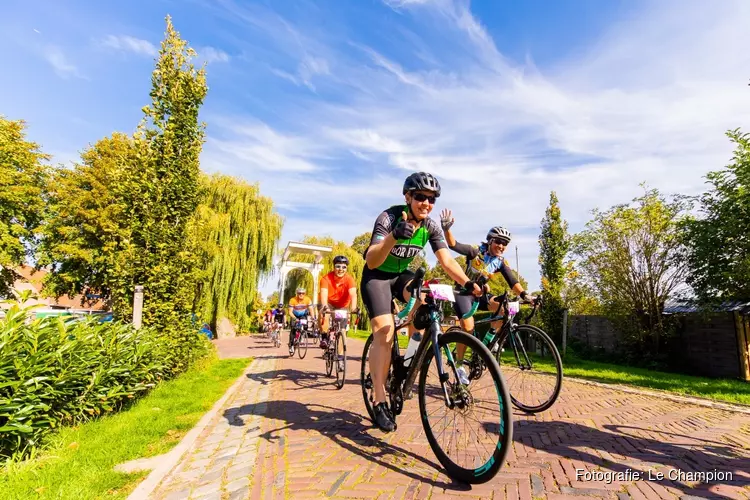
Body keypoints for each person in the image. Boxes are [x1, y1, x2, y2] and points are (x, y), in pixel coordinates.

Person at [361, 171, 482, 433]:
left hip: (401, 276)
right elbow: (371, 260)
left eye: (431, 199)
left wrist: (468, 283)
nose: (426, 203)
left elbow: (446, 260)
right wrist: (394, 235)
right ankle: (379, 398)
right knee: (385, 330)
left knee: (425, 307)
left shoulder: (430, 226)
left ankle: (407, 362)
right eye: (420, 197)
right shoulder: (389, 217)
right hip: (377, 277)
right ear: (408, 197)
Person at [439, 208, 536, 384]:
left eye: (504, 244)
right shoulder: (475, 252)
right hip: (463, 293)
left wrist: (525, 295)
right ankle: (459, 366)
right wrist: (446, 229)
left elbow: (513, 281)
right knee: (467, 328)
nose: (501, 246)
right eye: (498, 242)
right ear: (490, 241)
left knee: (505, 307)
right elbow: (453, 244)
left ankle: (488, 341)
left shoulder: (500, 262)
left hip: (481, 295)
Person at [319, 255, 358, 350]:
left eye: (344, 267)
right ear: (334, 267)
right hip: (329, 303)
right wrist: (325, 307)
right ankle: (324, 337)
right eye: (338, 266)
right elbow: (323, 295)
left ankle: (340, 359)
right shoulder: (326, 279)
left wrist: (353, 308)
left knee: (342, 331)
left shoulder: (349, 279)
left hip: (342, 305)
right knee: (324, 314)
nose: (341, 269)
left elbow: (353, 294)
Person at [288, 287, 315, 355]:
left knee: (305, 326)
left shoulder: (307, 299)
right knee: (293, 329)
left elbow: (311, 310)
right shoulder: (293, 300)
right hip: (294, 315)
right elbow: (290, 312)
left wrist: (313, 318)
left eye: (303, 293)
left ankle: (302, 335)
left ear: (304, 294)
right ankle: (291, 346)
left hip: (303, 315)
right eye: (299, 293)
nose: (301, 295)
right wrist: (295, 318)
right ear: (297, 294)